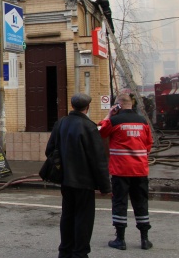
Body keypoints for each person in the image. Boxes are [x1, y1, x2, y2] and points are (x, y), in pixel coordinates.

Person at [45, 93, 111, 258]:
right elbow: (98, 159)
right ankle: (80, 253)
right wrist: (105, 186)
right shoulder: (89, 127)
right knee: (84, 218)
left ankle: (65, 251)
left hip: (66, 180)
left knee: (67, 215)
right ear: (87, 107)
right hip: (84, 182)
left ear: (72, 106)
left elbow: (49, 151)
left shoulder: (61, 123)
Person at [99, 92, 154, 251]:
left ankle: (120, 239)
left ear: (118, 105)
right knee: (141, 202)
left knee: (119, 202)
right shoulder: (143, 121)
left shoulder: (114, 121)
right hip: (140, 170)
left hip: (120, 170)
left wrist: (109, 115)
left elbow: (101, 132)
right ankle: (144, 239)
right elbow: (148, 144)